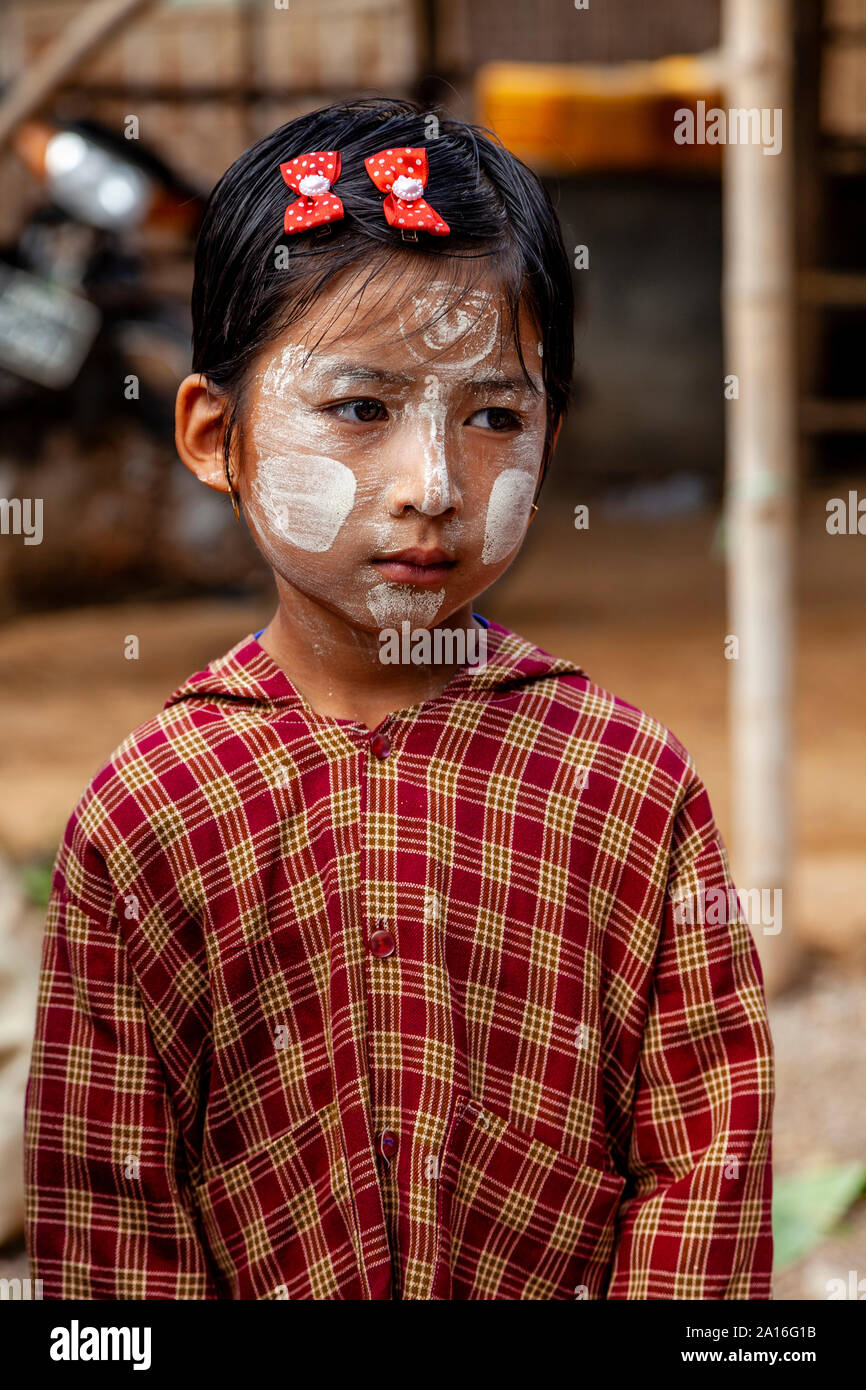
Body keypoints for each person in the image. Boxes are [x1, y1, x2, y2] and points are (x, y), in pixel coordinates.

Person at [23, 97, 774, 1300]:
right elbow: (109, 1217)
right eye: (360, 408)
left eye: (491, 417)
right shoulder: (154, 815)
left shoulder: (624, 785)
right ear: (215, 434)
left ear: (550, 439)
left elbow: (706, 1160)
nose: (431, 485)